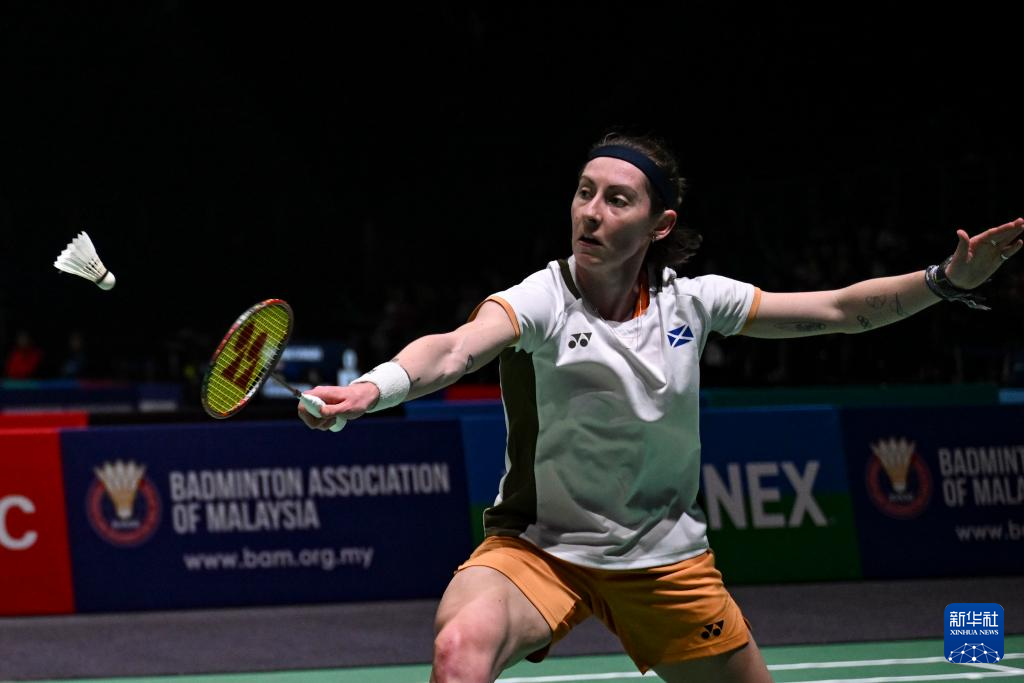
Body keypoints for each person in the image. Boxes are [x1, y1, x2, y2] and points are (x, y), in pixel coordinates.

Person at [299, 133, 1023, 683]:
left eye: (617, 200)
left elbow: (836, 310)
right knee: (460, 648)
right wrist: (373, 389)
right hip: (540, 548)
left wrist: (944, 281)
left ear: (660, 225)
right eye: (584, 192)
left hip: (665, 562)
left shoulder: (695, 303)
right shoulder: (543, 297)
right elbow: (456, 349)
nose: (591, 213)